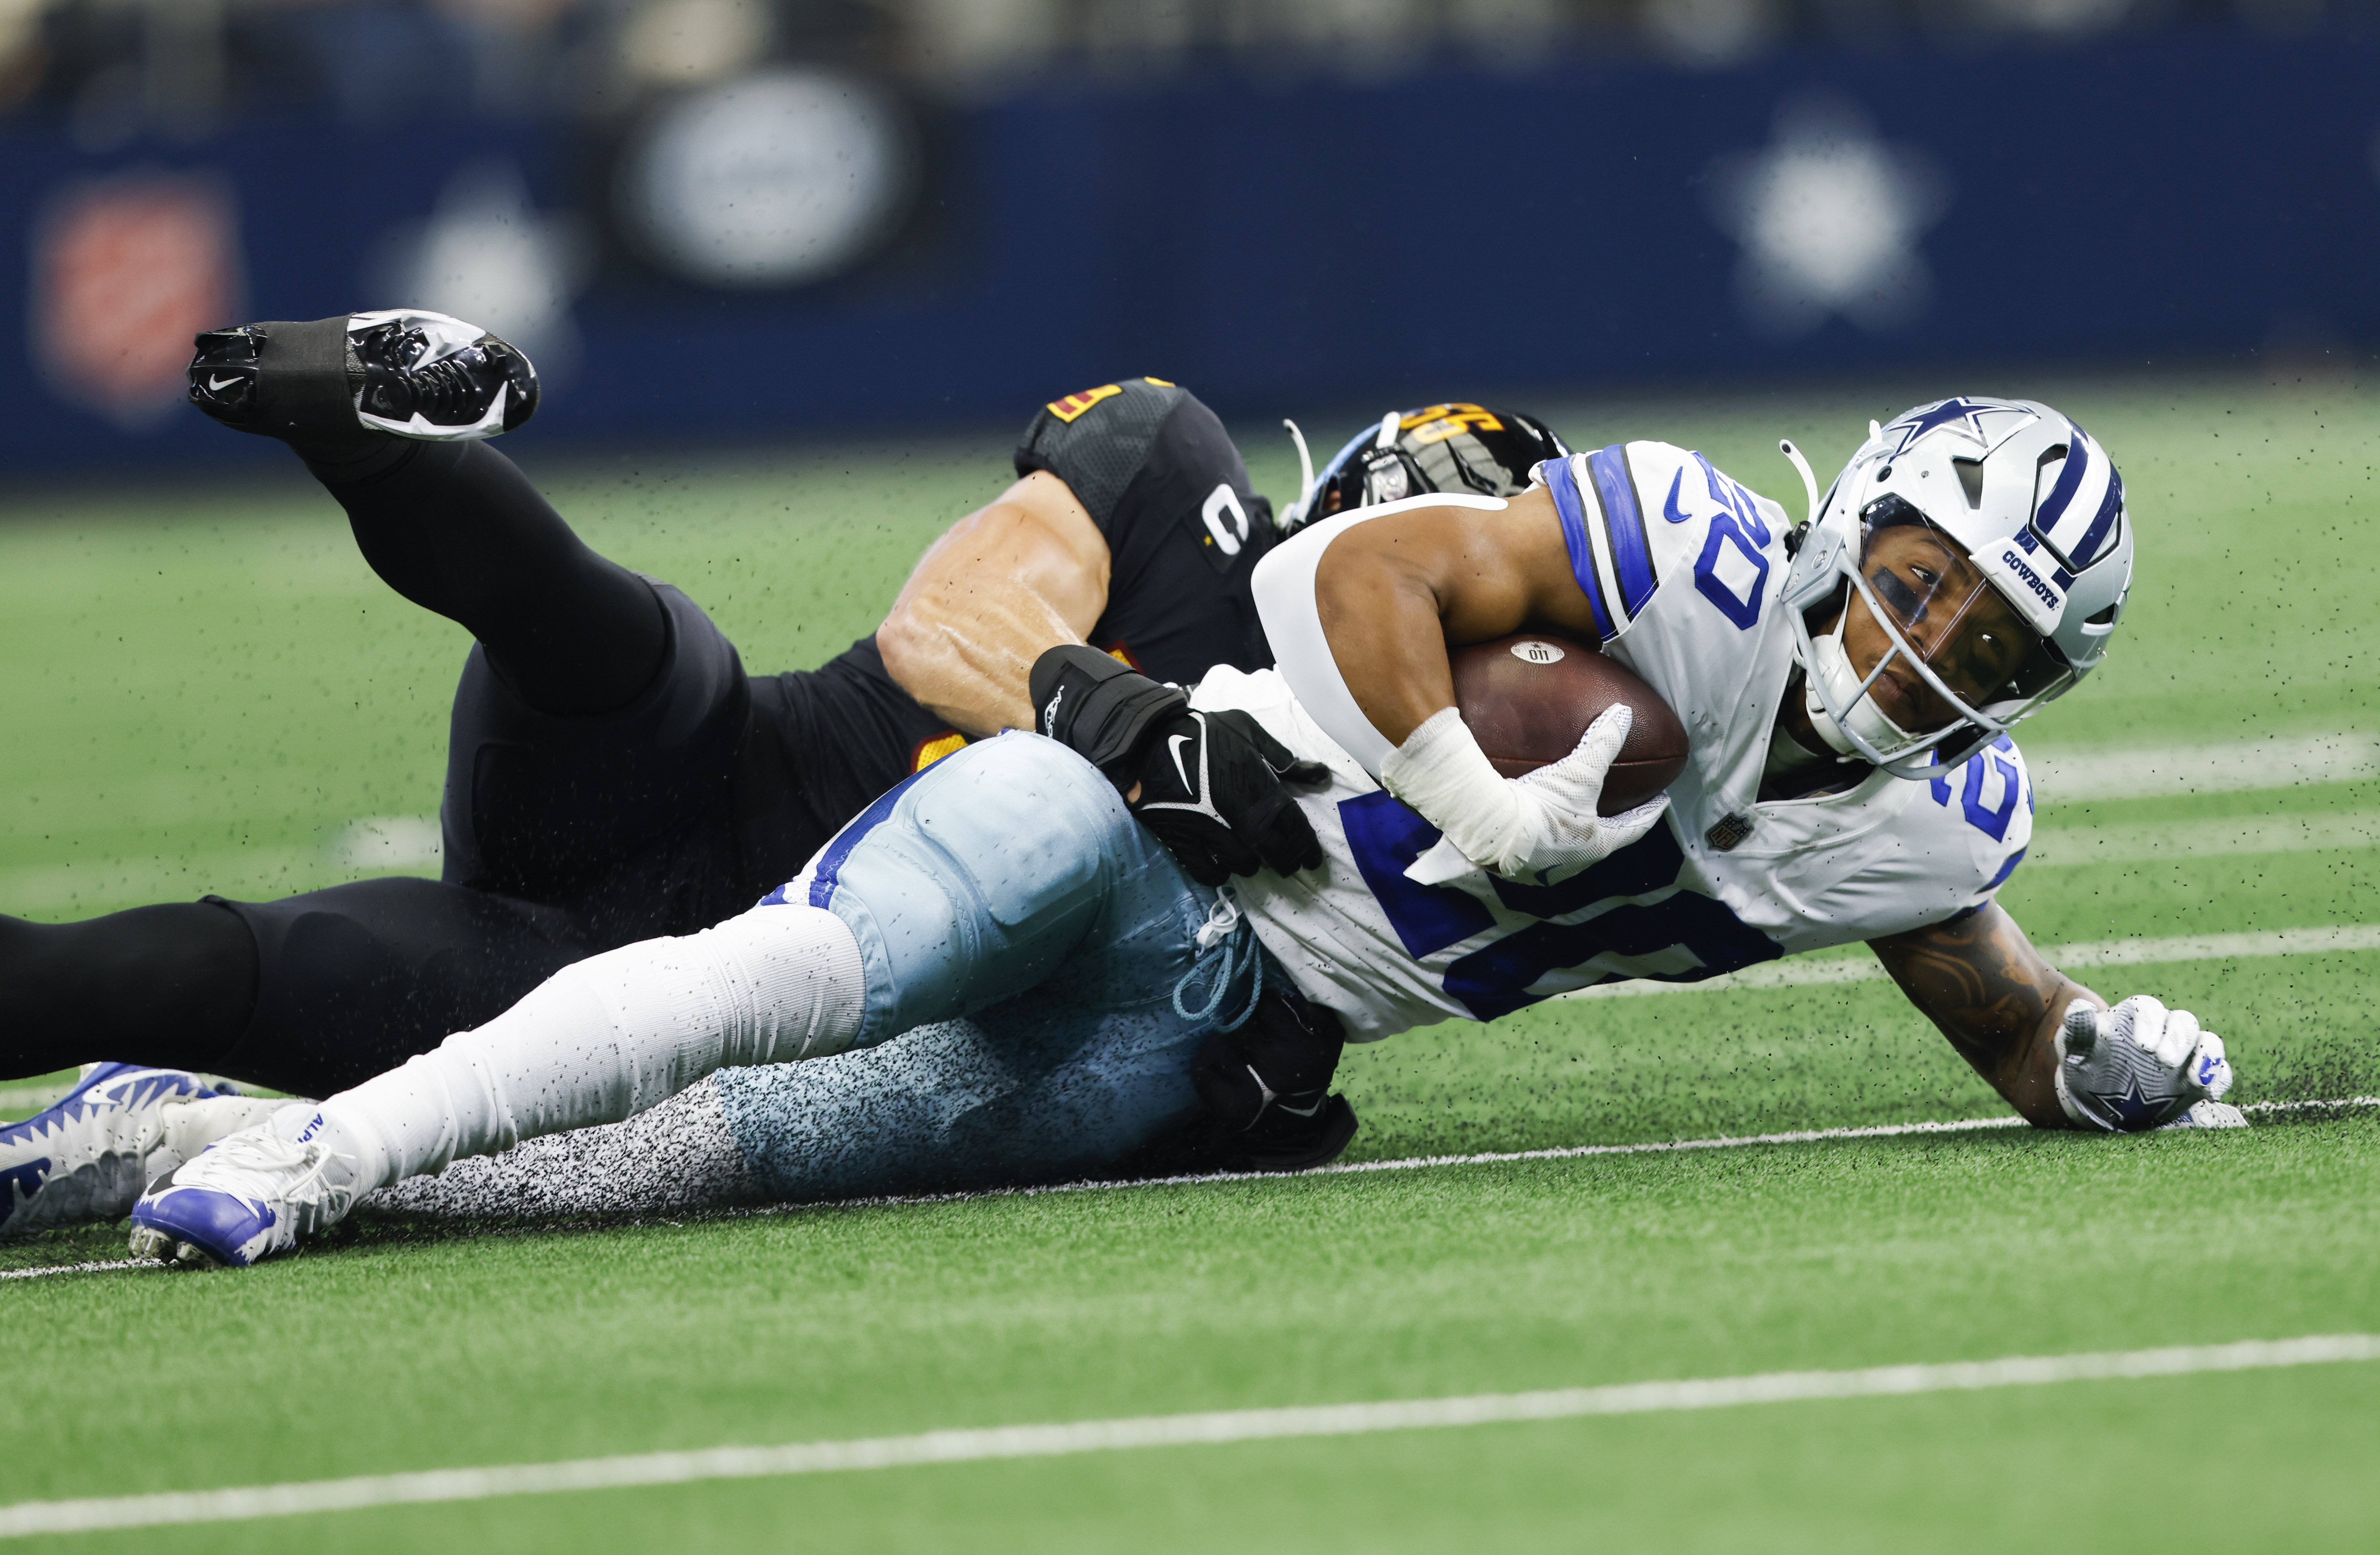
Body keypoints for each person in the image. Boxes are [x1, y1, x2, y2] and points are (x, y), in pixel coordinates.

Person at [122, 394, 2238, 1267]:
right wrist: (1472, 793)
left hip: (1217, 1029)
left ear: (2036, 680)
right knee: (786, 978)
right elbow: (1347, 590)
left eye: (1988, 628)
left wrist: (2106, 1056)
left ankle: (160, 1135)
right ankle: (328, 1144)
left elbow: (2000, 1009)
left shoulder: (1937, 826)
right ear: (1852, 511)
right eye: (1919, 569)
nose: (1926, 634)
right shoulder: (1675, 543)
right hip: (1154, 824)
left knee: (707, 1163)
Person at [0, 309, 1569, 1233]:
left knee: (202, 969)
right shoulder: (1180, 480)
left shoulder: (1392, 798)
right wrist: (1127, 718)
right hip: (727, 781)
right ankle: (371, 427)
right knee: (624, 653)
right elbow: (950, 618)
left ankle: (141, 1092)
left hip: (642, 1001)